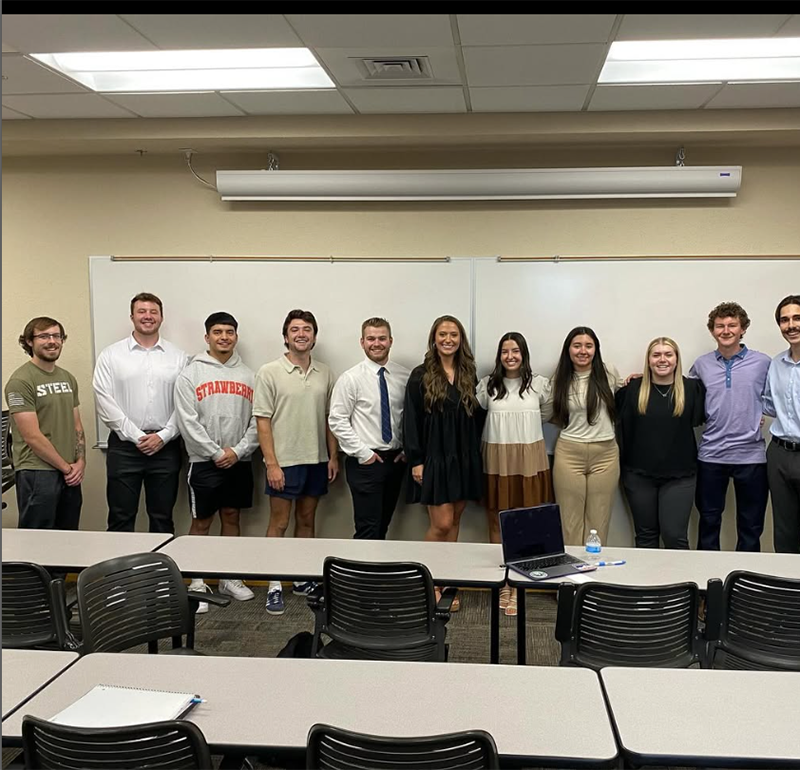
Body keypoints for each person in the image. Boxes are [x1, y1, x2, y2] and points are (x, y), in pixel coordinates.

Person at [253, 309, 339, 616]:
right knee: (279, 523)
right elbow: (263, 423)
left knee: (306, 522)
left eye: (307, 329)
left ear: (314, 336)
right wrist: (271, 464)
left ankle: (302, 578)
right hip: (284, 462)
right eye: (294, 329)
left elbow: (330, 419)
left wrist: (332, 456)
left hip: (316, 459)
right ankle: (274, 583)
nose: (301, 334)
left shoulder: (325, 373)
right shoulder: (269, 371)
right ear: (286, 336)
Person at [174, 312, 259, 610]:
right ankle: (197, 581)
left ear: (236, 336)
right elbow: (187, 422)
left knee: (232, 516)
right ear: (207, 336)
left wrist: (237, 451)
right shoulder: (190, 374)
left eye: (230, 331)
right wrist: (214, 452)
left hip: (239, 461)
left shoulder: (249, 375)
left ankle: (229, 576)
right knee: (202, 521)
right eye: (218, 332)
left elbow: (256, 422)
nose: (224, 337)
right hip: (203, 461)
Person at [93, 292, 188, 533]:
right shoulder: (111, 355)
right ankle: (119, 572)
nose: (148, 316)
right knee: (121, 517)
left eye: (153, 312)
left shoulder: (179, 357)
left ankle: (158, 571)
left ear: (161, 317)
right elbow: (104, 401)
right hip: (125, 449)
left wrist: (163, 436)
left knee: (162, 518)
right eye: (142, 312)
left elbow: (185, 404)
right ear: (132, 316)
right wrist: (137, 437)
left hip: (166, 448)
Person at [477, 332, 554, 616]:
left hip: (529, 458)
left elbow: (546, 414)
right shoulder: (487, 386)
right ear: (499, 356)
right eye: (505, 351)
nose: (510, 356)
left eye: (516, 351)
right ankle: (504, 583)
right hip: (496, 457)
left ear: (524, 354)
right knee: (497, 519)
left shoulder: (539, 385)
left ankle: (521, 583)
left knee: (527, 522)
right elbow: (479, 412)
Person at [689, 302, 771, 552]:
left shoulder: (763, 362)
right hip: (711, 454)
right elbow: (685, 397)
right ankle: (707, 584)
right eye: (720, 326)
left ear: (743, 328)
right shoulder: (701, 365)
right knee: (709, 522)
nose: (726, 330)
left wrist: (761, 412)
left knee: (751, 526)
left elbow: (775, 396)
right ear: (712, 330)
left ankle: (745, 586)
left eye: (732, 325)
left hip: (751, 456)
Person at [615, 337, 706, 550]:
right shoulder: (632, 390)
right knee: (645, 536)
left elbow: (718, 412)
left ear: (676, 359)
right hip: (638, 476)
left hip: (680, 476)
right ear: (648, 360)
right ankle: (647, 584)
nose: (662, 359)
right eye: (656, 355)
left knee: (674, 536)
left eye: (668, 354)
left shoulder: (693, 389)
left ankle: (682, 583)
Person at [404, 315, 483, 546]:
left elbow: (475, 415)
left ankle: (444, 580)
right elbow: (411, 419)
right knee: (442, 525)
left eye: (453, 335)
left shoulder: (468, 373)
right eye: (442, 334)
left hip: (463, 457)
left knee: (456, 520)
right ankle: (426, 581)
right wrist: (416, 460)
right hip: (435, 458)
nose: (448, 339)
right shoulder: (420, 375)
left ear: (461, 340)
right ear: (434, 339)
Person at [328, 317, 410, 540]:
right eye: (371, 338)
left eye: (382, 338)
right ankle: (362, 575)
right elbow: (337, 420)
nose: (377, 343)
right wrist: (364, 454)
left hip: (395, 462)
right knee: (368, 528)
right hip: (365, 462)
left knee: (383, 524)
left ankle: (377, 574)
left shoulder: (404, 377)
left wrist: (406, 449)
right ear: (362, 342)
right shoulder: (351, 378)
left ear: (391, 341)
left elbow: (410, 418)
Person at [5, 317, 85, 530]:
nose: (52, 341)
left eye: (56, 336)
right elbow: (32, 436)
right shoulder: (20, 381)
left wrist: (80, 461)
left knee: (68, 538)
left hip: (69, 470)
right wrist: (66, 468)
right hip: (37, 471)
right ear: (29, 342)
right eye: (44, 336)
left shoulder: (68, 378)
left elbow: (77, 425)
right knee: (37, 541)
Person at [546, 326, 622, 546]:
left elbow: (625, 396)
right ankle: (572, 577)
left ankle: (593, 576)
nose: (583, 351)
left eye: (589, 346)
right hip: (569, 453)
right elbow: (548, 412)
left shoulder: (609, 374)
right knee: (569, 521)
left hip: (606, 454)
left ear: (596, 349)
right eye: (577, 345)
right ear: (568, 350)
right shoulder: (559, 379)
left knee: (599, 521)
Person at [763, 295, 800, 554]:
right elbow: (768, 404)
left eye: (797, 318)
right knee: (784, 530)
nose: (791, 325)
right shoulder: (776, 364)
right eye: (784, 320)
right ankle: (787, 593)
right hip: (779, 454)